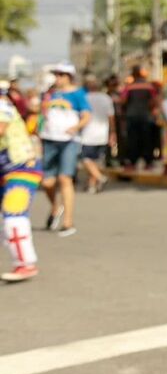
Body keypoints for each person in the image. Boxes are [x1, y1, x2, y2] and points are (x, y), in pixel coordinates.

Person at [39, 62, 90, 237]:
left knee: (65, 178)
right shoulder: (51, 94)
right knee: (47, 182)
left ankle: (68, 222)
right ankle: (55, 207)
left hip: (69, 141)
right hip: (49, 140)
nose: (58, 78)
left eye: (61, 75)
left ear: (69, 76)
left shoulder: (78, 94)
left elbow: (87, 115)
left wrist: (76, 127)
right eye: (57, 75)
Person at [0, 97, 42, 281]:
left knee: (13, 214)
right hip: (6, 171)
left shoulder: (1, 105)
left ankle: (25, 264)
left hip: (22, 168)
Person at [79, 77, 114, 193]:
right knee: (95, 161)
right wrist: (113, 132)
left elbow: (80, 116)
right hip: (102, 133)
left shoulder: (84, 98)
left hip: (87, 134)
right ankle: (92, 185)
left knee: (86, 159)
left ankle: (100, 178)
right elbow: (111, 117)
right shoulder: (106, 98)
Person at [120, 66, 158, 171]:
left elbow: (123, 100)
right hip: (146, 116)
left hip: (131, 116)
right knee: (147, 139)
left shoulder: (129, 87)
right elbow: (154, 101)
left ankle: (132, 162)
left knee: (132, 139)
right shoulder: (149, 86)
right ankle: (148, 162)